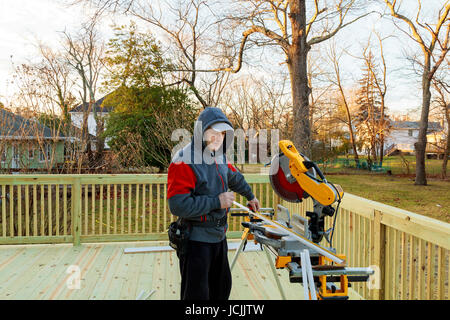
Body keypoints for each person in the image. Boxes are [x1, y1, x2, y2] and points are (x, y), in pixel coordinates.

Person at [167, 106, 261, 300]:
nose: (218, 138)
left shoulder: (219, 156)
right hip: (195, 241)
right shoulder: (183, 160)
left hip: (219, 237)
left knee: (221, 289)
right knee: (197, 297)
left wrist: (250, 196)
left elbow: (234, 177)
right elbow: (178, 205)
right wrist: (216, 201)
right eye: (213, 132)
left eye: (223, 133)